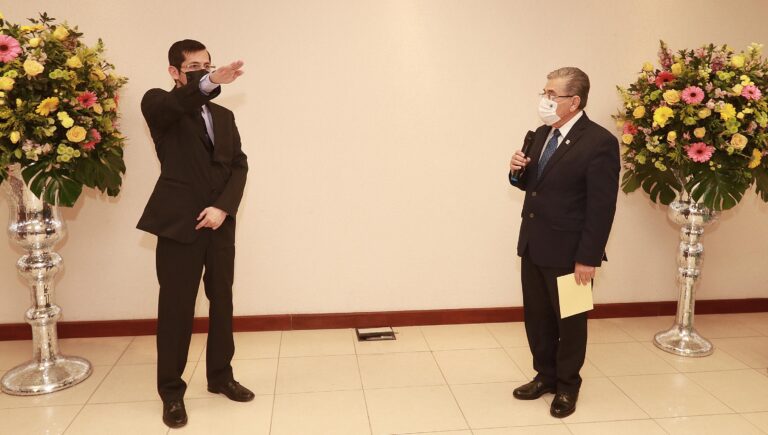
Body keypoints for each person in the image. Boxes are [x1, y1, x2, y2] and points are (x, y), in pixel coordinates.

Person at [137, 39, 252, 428]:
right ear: (174, 72)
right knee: (176, 310)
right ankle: (171, 392)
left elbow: (238, 165)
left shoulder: (223, 116)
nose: (204, 72)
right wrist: (206, 83)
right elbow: (176, 104)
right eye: (194, 68)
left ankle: (221, 376)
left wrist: (223, 208)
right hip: (178, 224)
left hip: (219, 223)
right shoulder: (158, 104)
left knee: (223, 300)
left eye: (208, 65)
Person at [508, 67, 619, 418]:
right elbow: (536, 187)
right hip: (533, 244)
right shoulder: (543, 133)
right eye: (545, 92)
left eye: (552, 95)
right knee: (537, 318)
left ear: (574, 101)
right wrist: (517, 171)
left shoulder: (599, 142)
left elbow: (602, 207)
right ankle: (546, 375)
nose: (545, 100)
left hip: (572, 253)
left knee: (570, 321)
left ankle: (568, 386)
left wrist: (587, 257)